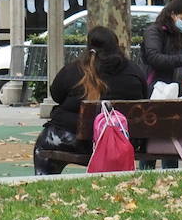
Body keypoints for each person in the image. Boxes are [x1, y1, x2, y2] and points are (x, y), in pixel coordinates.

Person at [33, 26, 147, 175]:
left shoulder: (74, 70)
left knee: (43, 145)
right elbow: (145, 97)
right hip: (122, 140)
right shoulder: (134, 71)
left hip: (77, 140)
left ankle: (45, 181)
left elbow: (56, 94)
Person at [138, 0, 182, 169]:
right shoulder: (154, 32)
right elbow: (154, 57)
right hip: (155, 92)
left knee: (171, 139)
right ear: (172, 14)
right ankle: (146, 171)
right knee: (153, 137)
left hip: (178, 92)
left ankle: (169, 172)